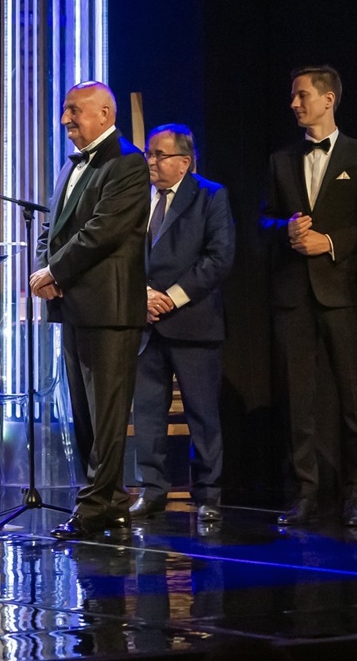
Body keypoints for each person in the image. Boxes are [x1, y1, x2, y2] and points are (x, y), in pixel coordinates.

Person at [261, 65, 357, 527]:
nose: (294, 104)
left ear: (328, 99)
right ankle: (305, 493)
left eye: (302, 96)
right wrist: (286, 229)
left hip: (343, 293)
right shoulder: (280, 160)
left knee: (354, 399)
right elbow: (262, 220)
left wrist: (330, 242)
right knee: (298, 400)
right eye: (294, 97)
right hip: (293, 296)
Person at [31, 80, 150, 540]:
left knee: (106, 415)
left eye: (74, 109)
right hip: (73, 305)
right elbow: (53, 227)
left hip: (109, 308)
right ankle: (110, 502)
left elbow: (103, 231)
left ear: (104, 113)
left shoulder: (128, 162)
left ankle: (95, 505)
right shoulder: (71, 165)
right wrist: (44, 269)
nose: (66, 119)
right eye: (65, 110)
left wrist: (54, 271)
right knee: (83, 414)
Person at [129, 124, 235, 522]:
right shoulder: (137, 197)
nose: (151, 161)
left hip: (193, 323)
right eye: (149, 154)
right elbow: (123, 253)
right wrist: (141, 295)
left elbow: (218, 258)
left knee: (202, 415)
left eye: (159, 155)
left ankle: (207, 495)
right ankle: (152, 490)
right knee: (147, 413)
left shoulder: (210, 195)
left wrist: (170, 297)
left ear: (184, 163)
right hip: (145, 323)